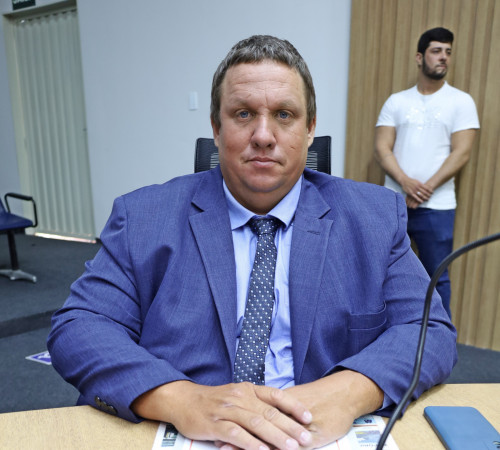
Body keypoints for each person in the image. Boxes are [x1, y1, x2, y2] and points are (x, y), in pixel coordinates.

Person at [48, 35, 456, 450]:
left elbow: (429, 330)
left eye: (284, 114)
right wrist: (182, 399)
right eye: (243, 114)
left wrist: (349, 391)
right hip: (191, 436)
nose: (263, 135)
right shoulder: (144, 217)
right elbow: (81, 327)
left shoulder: (373, 217)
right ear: (216, 127)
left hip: (318, 435)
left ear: (310, 128)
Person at [374, 27, 479, 318]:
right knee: (384, 272)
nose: (443, 57)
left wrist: (425, 188)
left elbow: (462, 152)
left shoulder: (461, 102)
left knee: (437, 276)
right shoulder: (397, 101)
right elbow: (382, 148)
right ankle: (389, 332)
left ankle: (438, 337)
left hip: (437, 207)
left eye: (448, 52)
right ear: (419, 57)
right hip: (395, 203)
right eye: (436, 51)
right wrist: (406, 183)